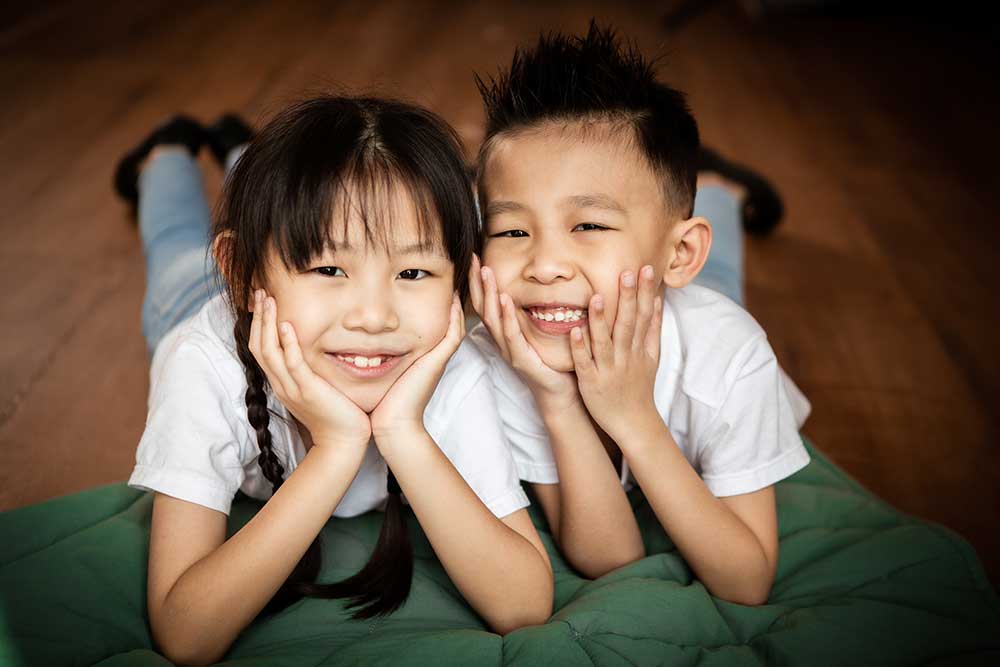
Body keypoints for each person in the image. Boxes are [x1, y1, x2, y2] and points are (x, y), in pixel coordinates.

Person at [114, 96, 553, 666]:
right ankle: (167, 149)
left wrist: (402, 431)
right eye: (328, 269)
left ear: (459, 284)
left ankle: (240, 150)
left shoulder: (450, 365)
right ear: (243, 273)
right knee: (175, 241)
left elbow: (523, 605)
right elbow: (185, 634)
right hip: (198, 303)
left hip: (294, 308)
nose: (373, 317)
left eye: (413, 272)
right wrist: (337, 449)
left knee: (302, 196)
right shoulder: (204, 365)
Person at [467, 23, 811, 605]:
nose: (545, 264)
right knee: (644, 278)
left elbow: (746, 580)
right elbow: (609, 558)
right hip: (620, 292)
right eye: (511, 229)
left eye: (589, 225)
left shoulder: (729, 355)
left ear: (680, 253)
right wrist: (556, 399)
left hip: (684, 301)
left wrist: (633, 418)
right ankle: (707, 186)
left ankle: (719, 190)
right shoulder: (502, 356)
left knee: (718, 284)